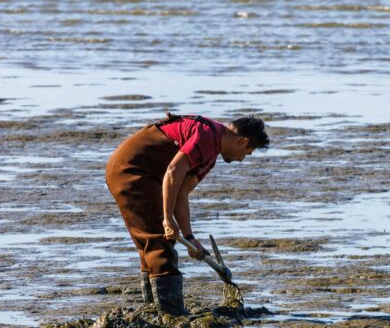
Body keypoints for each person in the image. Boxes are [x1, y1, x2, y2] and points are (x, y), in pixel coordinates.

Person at [105, 113, 269, 315]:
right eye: (247, 152)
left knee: (151, 247)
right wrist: (167, 219)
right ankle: (172, 317)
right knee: (159, 244)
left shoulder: (211, 151)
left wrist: (190, 237)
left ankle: (152, 314)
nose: (242, 159)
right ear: (243, 141)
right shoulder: (207, 136)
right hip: (132, 171)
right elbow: (173, 171)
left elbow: (181, 194)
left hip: (144, 175)